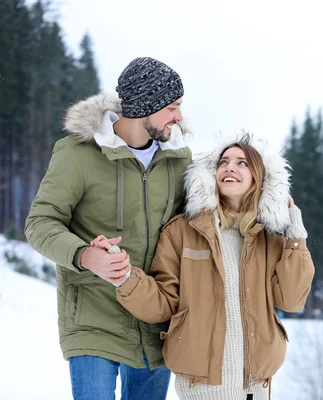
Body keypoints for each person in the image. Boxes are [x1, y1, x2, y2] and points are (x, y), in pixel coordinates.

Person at [91, 134, 315, 399]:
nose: (229, 167)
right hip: (201, 387)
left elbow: (291, 300)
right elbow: (163, 302)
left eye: (242, 163)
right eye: (223, 162)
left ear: (260, 178)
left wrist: (296, 238)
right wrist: (125, 275)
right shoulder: (183, 231)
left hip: (255, 387)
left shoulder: (272, 239)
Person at [25, 57, 193, 400]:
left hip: (154, 321)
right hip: (92, 318)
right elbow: (40, 222)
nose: (179, 117)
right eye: (172, 107)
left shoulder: (179, 160)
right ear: (145, 105)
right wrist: (85, 255)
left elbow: (193, 231)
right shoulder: (78, 154)